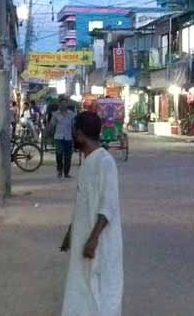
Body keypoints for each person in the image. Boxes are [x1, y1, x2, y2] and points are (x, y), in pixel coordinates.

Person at [60, 111, 123, 316]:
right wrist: (71, 232)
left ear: (79, 134)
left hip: (99, 241)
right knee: (82, 289)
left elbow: (108, 205)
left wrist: (93, 239)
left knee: (103, 291)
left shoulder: (105, 162)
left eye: (74, 131)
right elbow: (83, 203)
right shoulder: (88, 161)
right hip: (84, 237)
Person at [50, 97, 76, 178]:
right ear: (59, 105)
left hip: (68, 137)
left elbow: (73, 126)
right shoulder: (55, 114)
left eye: (64, 103)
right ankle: (59, 170)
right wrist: (51, 135)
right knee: (59, 154)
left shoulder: (71, 114)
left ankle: (66, 173)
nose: (63, 105)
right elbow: (52, 126)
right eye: (61, 104)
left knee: (68, 156)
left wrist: (75, 136)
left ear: (67, 104)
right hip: (58, 137)